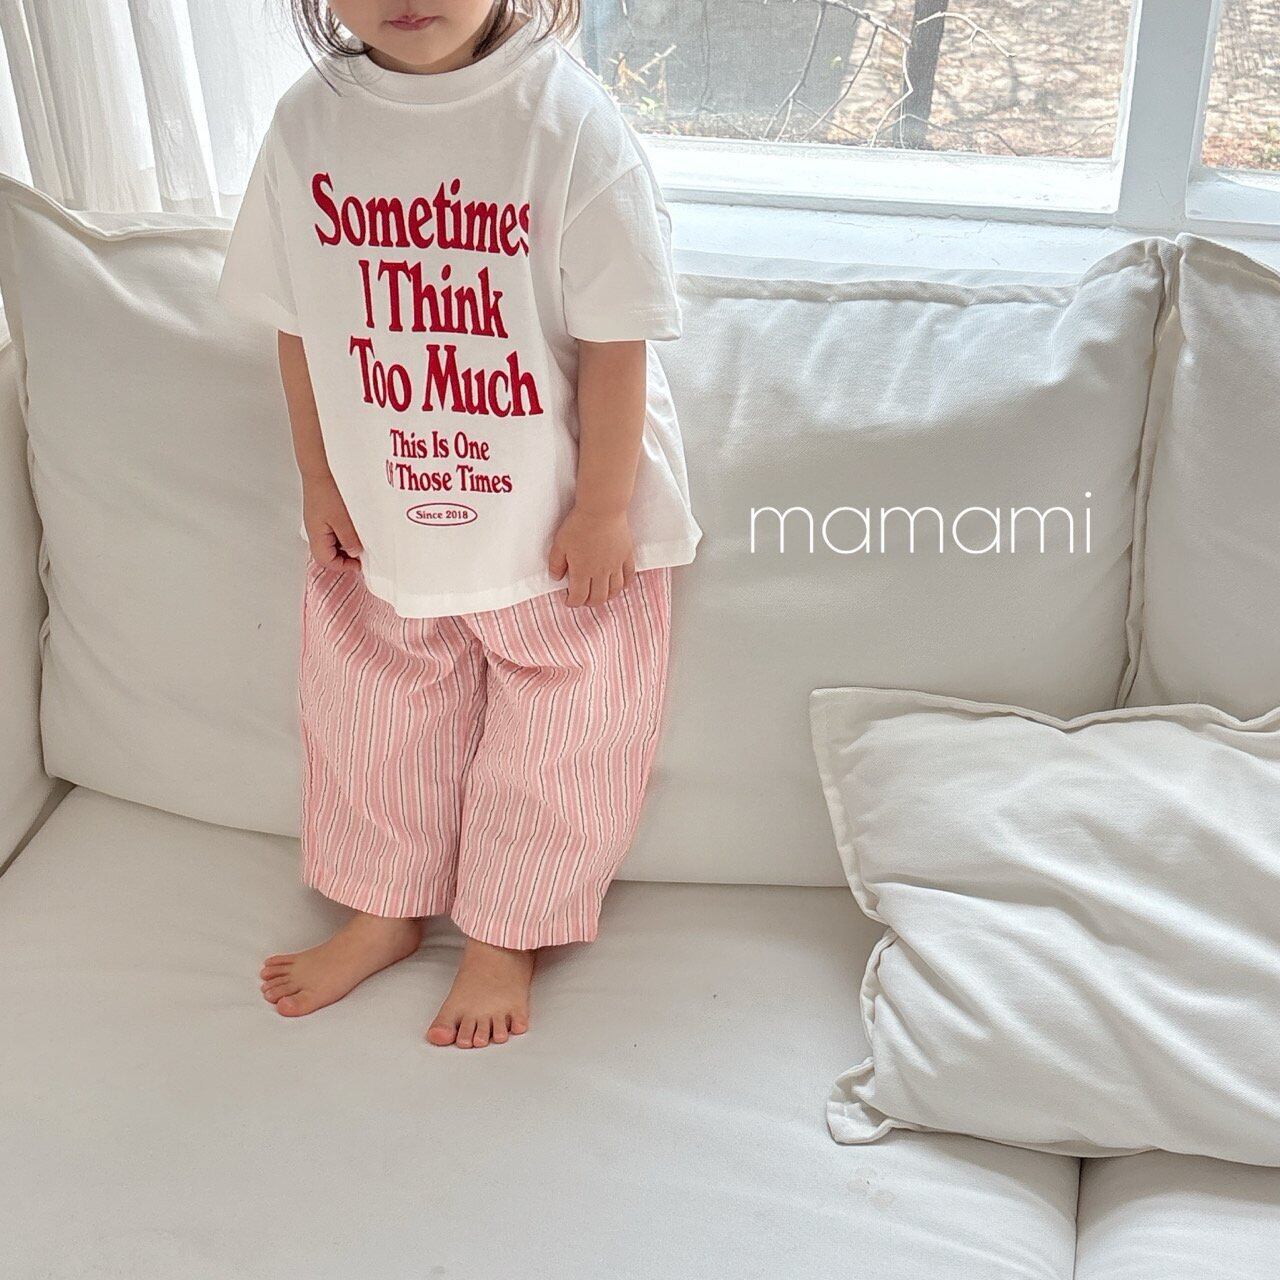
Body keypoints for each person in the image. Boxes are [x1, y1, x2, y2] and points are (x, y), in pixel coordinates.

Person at [215, 0, 701, 1048]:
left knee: (562, 741)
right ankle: (384, 909)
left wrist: (604, 507)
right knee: (372, 718)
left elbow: (618, 339)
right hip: (386, 508)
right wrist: (318, 478)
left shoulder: (566, 120)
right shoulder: (309, 123)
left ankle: (503, 935)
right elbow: (300, 325)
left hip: (558, 522)